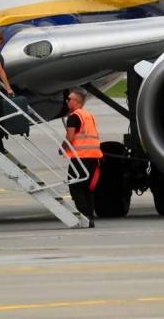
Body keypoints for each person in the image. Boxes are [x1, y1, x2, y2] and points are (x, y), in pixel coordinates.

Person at [61, 89, 103, 226]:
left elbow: (70, 137)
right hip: (93, 158)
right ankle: (90, 215)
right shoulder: (88, 116)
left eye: (69, 99)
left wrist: (63, 147)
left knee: (76, 187)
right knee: (88, 188)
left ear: (77, 102)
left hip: (80, 158)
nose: (67, 101)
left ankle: (85, 216)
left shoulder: (73, 117)